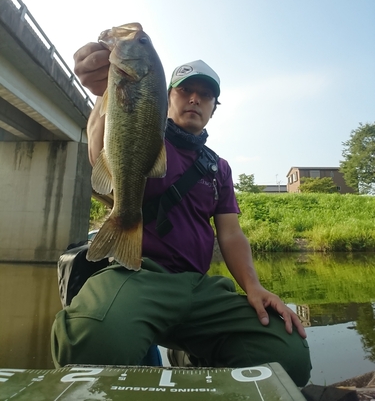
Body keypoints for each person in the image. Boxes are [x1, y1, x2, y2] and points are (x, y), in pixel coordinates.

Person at [51, 41, 311, 386]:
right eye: (185, 90)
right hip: (137, 275)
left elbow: (231, 234)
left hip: (198, 286)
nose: (195, 99)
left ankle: (192, 354)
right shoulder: (147, 136)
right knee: (90, 343)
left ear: (214, 107)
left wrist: (253, 286)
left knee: (288, 354)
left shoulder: (218, 167)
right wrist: (105, 95)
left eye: (205, 95)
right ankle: (145, 351)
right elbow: (101, 159)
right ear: (165, 96)